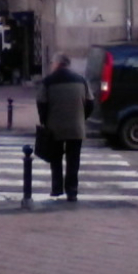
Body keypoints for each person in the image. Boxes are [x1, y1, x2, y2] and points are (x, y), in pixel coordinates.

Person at [36, 52, 94, 202]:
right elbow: (90, 103)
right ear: (68, 64)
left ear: (56, 64)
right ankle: (72, 191)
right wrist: (82, 117)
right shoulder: (81, 80)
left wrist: (45, 120)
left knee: (55, 158)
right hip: (76, 127)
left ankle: (56, 188)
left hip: (55, 127)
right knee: (73, 160)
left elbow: (41, 103)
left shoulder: (48, 82)